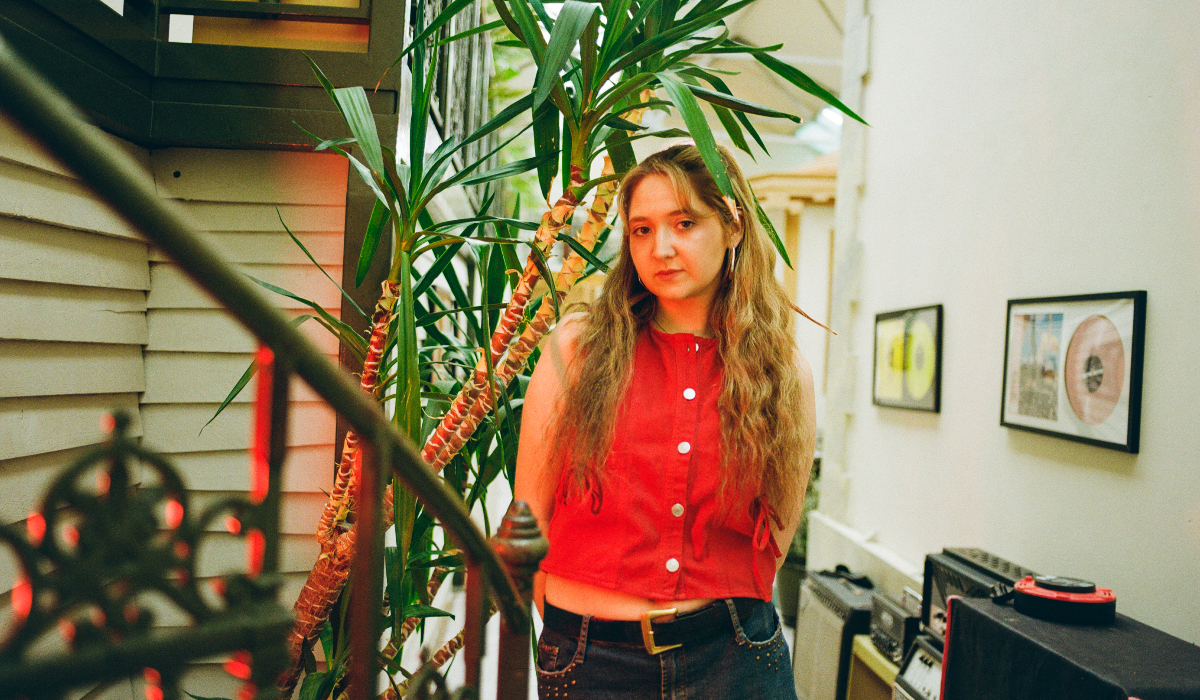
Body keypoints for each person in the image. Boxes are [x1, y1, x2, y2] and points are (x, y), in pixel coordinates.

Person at [514, 144, 817, 699]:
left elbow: (776, 531)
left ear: (733, 226)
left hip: (736, 659)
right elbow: (527, 517)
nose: (662, 248)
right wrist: (565, 628)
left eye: (685, 223)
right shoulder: (576, 351)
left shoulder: (781, 372)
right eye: (642, 230)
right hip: (593, 661)